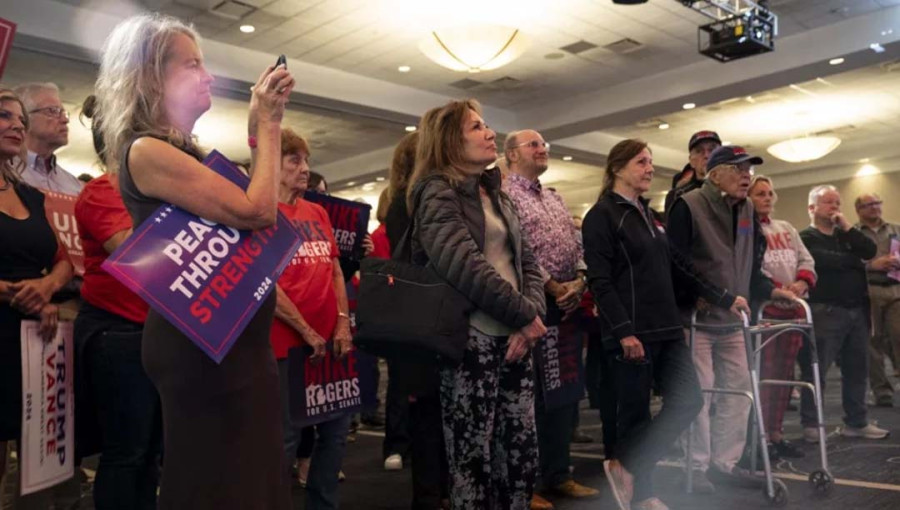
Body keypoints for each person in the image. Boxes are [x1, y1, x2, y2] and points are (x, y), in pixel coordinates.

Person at [94, 13, 295, 508]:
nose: (208, 76)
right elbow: (257, 210)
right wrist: (269, 123)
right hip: (201, 345)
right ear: (150, 77)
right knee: (212, 482)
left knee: (251, 476)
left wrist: (255, 134)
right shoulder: (146, 150)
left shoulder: (187, 151)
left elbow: (249, 202)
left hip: (232, 341)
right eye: (192, 65)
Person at [584, 139, 747, 510]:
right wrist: (623, 330)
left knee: (688, 401)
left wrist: (724, 297)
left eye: (651, 162)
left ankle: (626, 464)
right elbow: (601, 281)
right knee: (636, 416)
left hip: (667, 328)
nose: (649, 168)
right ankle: (643, 494)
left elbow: (681, 268)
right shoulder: (602, 216)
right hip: (631, 333)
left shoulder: (649, 214)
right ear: (617, 168)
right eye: (641, 162)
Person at [408, 99, 547, 509]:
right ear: (449, 140)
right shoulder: (436, 192)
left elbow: (528, 262)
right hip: (470, 341)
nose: (490, 133)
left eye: (486, 125)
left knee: (520, 458)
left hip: (516, 338)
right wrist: (525, 314)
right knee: (472, 461)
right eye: (476, 127)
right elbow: (463, 266)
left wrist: (531, 315)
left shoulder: (496, 194)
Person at [667, 145, 793, 491]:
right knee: (700, 393)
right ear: (715, 172)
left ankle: (725, 462)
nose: (746, 176)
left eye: (748, 169)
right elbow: (675, 263)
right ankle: (695, 465)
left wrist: (769, 289)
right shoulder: (688, 205)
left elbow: (750, 262)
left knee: (738, 392)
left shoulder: (748, 208)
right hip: (697, 318)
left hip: (734, 318)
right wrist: (704, 295)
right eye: (738, 169)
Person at [71, 94, 161, 510]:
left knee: (150, 453)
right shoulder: (102, 190)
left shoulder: (146, 192)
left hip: (152, 332)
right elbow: (135, 254)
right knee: (127, 452)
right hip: (118, 332)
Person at [501, 129, 598, 508]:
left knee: (566, 393)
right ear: (511, 154)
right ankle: (526, 485)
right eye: (534, 145)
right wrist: (554, 285)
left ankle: (559, 474)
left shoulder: (554, 197)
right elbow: (515, 248)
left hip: (568, 306)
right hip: (534, 306)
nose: (543, 150)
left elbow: (576, 246)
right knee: (534, 399)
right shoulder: (505, 196)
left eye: (545, 145)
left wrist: (580, 278)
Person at [270, 128, 353, 509]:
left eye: (306, 160)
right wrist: (304, 330)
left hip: (331, 343)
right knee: (285, 438)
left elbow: (335, 270)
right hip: (285, 346)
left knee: (335, 434)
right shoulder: (261, 214)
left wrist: (341, 322)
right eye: (294, 160)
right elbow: (265, 283)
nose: (305, 169)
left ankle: (323, 504)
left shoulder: (317, 211)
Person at [0, 87, 74, 506]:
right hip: (6, 320)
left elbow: (63, 259)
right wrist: (10, 291)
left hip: (34, 334)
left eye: (20, 120)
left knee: (40, 461)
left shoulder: (32, 195)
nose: (16, 126)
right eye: (4, 116)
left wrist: (46, 290)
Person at [799, 186, 889, 441]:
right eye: (827, 202)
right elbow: (822, 261)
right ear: (812, 208)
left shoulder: (846, 235)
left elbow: (869, 252)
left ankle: (857, 422)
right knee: (817, 370)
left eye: (837, 202)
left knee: (857, 370)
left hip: (857, 311)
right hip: (826, 311)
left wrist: (848, 229)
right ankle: (811, 424)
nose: (834, 207)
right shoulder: (806, 237)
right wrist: (855, 261)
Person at [747, 175, 816, 460]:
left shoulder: (786, 227)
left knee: (785, 377)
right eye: (760, 193)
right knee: (764, 377)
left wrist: (800, 284)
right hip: (766, 310)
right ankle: (758, 439)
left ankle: (776, 434)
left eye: (769, 193)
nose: (767, 197)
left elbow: (806, 260)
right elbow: (750, 268)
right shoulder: (745, 231)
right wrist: (776, 290)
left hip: (794, 310)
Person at [855, 193, 900, 407]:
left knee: (898, 336)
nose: (874, 207)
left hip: (895, 291)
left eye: (877, 203)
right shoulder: (853, 234)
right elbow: (848, 265)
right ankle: (882, 391)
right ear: (859, 210)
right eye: (868, 205)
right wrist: (871, 265)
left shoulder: (896, 229)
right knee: (873, 344)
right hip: (868, 291)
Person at [13, 82, 83, 195]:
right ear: (24, 118)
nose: (65, 120)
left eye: (64, 113)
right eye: (53, 111)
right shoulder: (6, 177)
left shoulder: (74, 186)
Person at [663, 130, 721, 218]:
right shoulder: (678, 196)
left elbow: (745, 226)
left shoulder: (735, 190)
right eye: (699, 151)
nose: (706, 155)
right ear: (691, 161)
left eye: (712, 150)